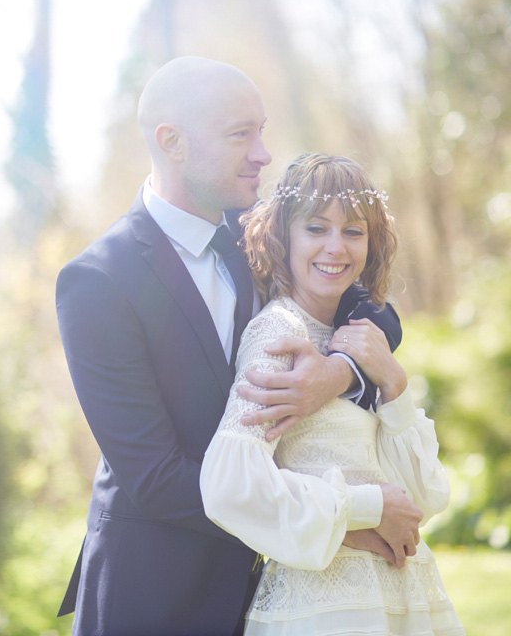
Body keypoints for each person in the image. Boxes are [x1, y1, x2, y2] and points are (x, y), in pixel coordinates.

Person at [55, 56, 407, 635]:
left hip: (270, 595)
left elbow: (375, 311)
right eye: (241, 134)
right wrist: (336, 522)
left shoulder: (259, 233)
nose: (263, 154)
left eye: (262, 131)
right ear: (173, 142)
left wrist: (338, 371)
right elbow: (155, 477)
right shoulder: (97, 281)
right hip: (155, 595)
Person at [200, 152, 465, 634]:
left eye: (353, 231)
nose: (335, 248)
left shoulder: (365, 338)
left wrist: (394, 382)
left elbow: (425, 496)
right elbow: (228, 485)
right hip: (325, 608)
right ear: (284, 236)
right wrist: (365, 509)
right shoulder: (276, 336)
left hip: (407, 600)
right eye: (317, 228)